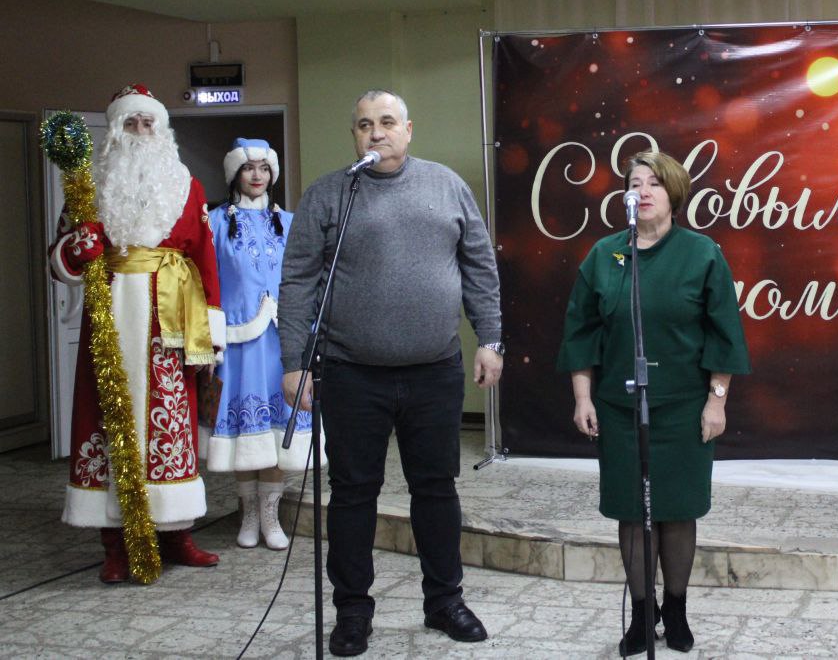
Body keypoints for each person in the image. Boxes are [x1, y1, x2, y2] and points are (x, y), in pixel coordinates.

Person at [278, 89, 504, 657]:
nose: (375, 133)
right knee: (353, 494)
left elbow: (479, 265)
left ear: (408, 129)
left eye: (385, 122)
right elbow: (298, 279)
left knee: (436, 488)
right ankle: (352, 611)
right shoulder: (330, 193)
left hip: (435, 369)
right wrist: (294, 363)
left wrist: (490, 338)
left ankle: (444, 601)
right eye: (363, 124)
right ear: (354, 135)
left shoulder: (446, 185)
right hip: (350, 372)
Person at [557, 150, 751, 656]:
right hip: (619, 407)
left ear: (674, 193)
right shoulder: (605, 255)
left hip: (684, 406)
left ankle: (677, 609)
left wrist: (717, 401)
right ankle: (643, 616)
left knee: (678, 509)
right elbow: (581, 331)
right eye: (634, 183)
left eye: (654, 183)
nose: (642, 192)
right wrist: (582, 397)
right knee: (632, 511)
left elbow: (724, 334)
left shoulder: (702, 253)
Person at [49, 83, 225, 583]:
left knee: (172, 422)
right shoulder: (88, 188)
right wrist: (77, 251)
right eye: (131, 122)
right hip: (109, 319)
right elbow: (60, 260)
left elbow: (205, 257)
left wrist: (211, 330)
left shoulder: (187, 185)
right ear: (115, 131)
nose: (141, 131)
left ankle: (176, 534)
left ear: (162, 130)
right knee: (106, 420)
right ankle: (114, 544)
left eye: (149, 122)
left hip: (170, 324)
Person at [205, 138, 318, 551]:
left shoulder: (290, 222)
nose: (257, 175)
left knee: (275, 432)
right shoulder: (214, 223)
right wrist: (209, 339)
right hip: (237, 343)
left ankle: (270, 516)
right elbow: (205, 284)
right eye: (249, 167)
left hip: (280, 342)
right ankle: (248, 515)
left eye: (264, 168)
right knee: (245, 434)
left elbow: (306, 280)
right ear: (235, 173)